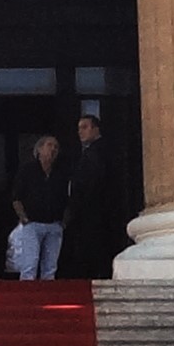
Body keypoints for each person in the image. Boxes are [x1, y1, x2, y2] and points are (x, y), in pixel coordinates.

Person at [61, 107, 126, 278]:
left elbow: (93, 182)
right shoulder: (90, 152)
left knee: (95, 252)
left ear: (96, 129)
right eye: (79, 128)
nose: (80, 132)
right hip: (92, 213)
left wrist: (78, 206)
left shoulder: (99, 151)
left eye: (84, 127)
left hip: (95, 213)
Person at [6, 132, 70, 281]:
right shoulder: (27, 170)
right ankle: (27, 294)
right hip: (32, 224)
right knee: (30, 264)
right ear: (39, 149)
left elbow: (68, 198)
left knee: (50, 267)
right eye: (49, 145)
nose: (53, 149)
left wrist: (64, 221)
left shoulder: (61, 172)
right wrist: (23, 218)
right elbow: (16, 197)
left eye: (56, 147)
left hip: (54, 224)